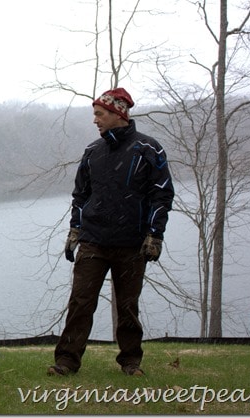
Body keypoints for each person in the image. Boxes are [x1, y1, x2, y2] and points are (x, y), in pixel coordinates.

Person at [48, 87, 174, 377]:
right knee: (80, 302)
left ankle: (131, 362)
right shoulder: (92, 152)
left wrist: (155, 235)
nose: (95, 120)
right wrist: (74, 231)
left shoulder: (148, 149)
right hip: (93, 242)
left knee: (128, 307)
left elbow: (162, 195)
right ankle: (66, 362)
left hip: (132, 244)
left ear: (119, 114)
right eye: (95, 114)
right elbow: (80, 195)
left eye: (99, 114)